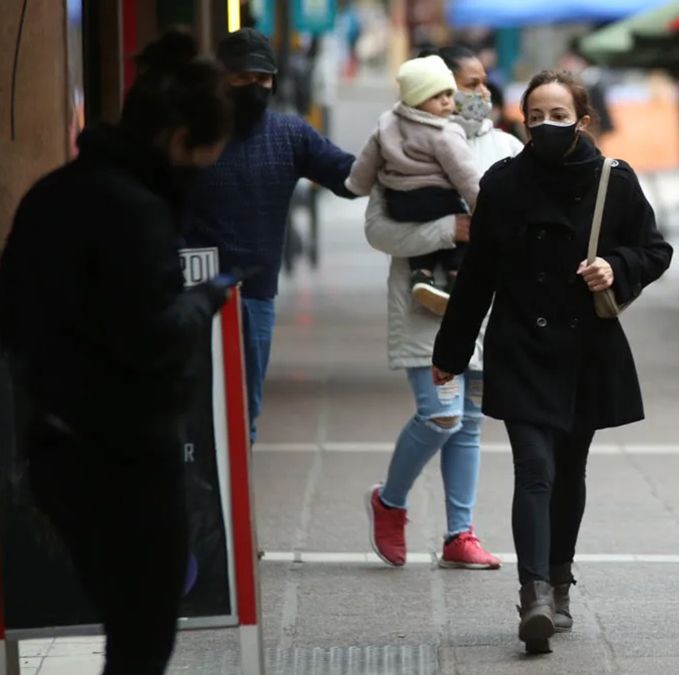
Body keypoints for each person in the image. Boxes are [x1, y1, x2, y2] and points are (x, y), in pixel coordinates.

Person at [0, 33, 235, 675]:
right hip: (125, 458)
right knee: (141, 641)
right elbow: (153, 339)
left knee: (126, 629)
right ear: (177, 139)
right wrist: (206, 298)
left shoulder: (54, 192)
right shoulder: (135, 212)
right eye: (205, 157)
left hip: (53, 449)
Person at [432, 70, 673, 654]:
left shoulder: (614, 180)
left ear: (583, 121)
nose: (544, 126)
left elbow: (655, 249)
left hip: (587, 346)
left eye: (558, 115)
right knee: (534, 468)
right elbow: (479, 274)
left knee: (570, 470)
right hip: (520, 344)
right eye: (535, 115)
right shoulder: (503, 184)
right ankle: (534, 593)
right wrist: (452, 351)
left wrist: (617, 265)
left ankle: (559, 580)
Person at [362, 46, 524, 572]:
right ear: (431, 95)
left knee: (471, 420)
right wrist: (447, 229)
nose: (478, 95)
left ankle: (460, 534)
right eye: (465, 85)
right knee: (440, 415)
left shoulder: (506, 147)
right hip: (425, 305)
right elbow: (378, 230)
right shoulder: (400, 144)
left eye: (482, 83)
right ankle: (390, 501)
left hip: (488, 306)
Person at [183, 28, 359, 443]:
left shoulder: (290, 134)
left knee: (247, 406)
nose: (252, 87)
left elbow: (348, 177)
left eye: (261, 79)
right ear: (220, 78)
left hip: (255, 292)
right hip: (189, 287)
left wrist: (402, 151)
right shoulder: (190, 134)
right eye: (241, 77)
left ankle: (236, 500)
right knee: (191, 402)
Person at [345, 55, 482, 315]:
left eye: (448, 94)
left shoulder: (386, 124)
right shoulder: (444, 133)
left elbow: (367, 161)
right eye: (436, 95)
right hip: (436, 198)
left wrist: (356, 185)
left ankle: (421, 275)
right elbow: (465, 175)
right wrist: (482, 205)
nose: (446, 101)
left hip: (398, 202)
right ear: (416, 98)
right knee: (462, 234)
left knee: (420, 234)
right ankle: (454, 278)